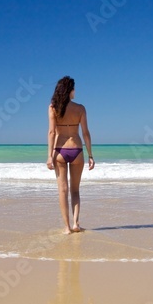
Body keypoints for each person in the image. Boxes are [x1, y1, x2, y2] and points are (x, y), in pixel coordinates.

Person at [46, 76, 94, 233]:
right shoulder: (80, 108)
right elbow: (86, 133)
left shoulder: (53, 108)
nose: (75, 91)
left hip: (60, 151)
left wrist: (49, 156)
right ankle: (76, 224)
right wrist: (91, 155)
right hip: (76, 150)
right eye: (74, 88)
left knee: (63, 190)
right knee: (75, 190)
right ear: (69, 90)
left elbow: (52, 132)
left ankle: (66, 227)